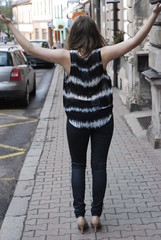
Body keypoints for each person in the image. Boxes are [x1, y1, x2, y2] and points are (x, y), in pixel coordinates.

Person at [1, 2, 161, 234]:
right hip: (103, 121)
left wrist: (11, 25)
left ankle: (80, 216)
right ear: (94, 34)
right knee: (99, 166)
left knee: (78, 165)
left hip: (75, 122)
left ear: (74, 34)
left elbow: (31, 49)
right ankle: (96, 214)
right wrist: (154, 14)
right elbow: (135, 40)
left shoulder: (66, 57)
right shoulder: (103, 54)